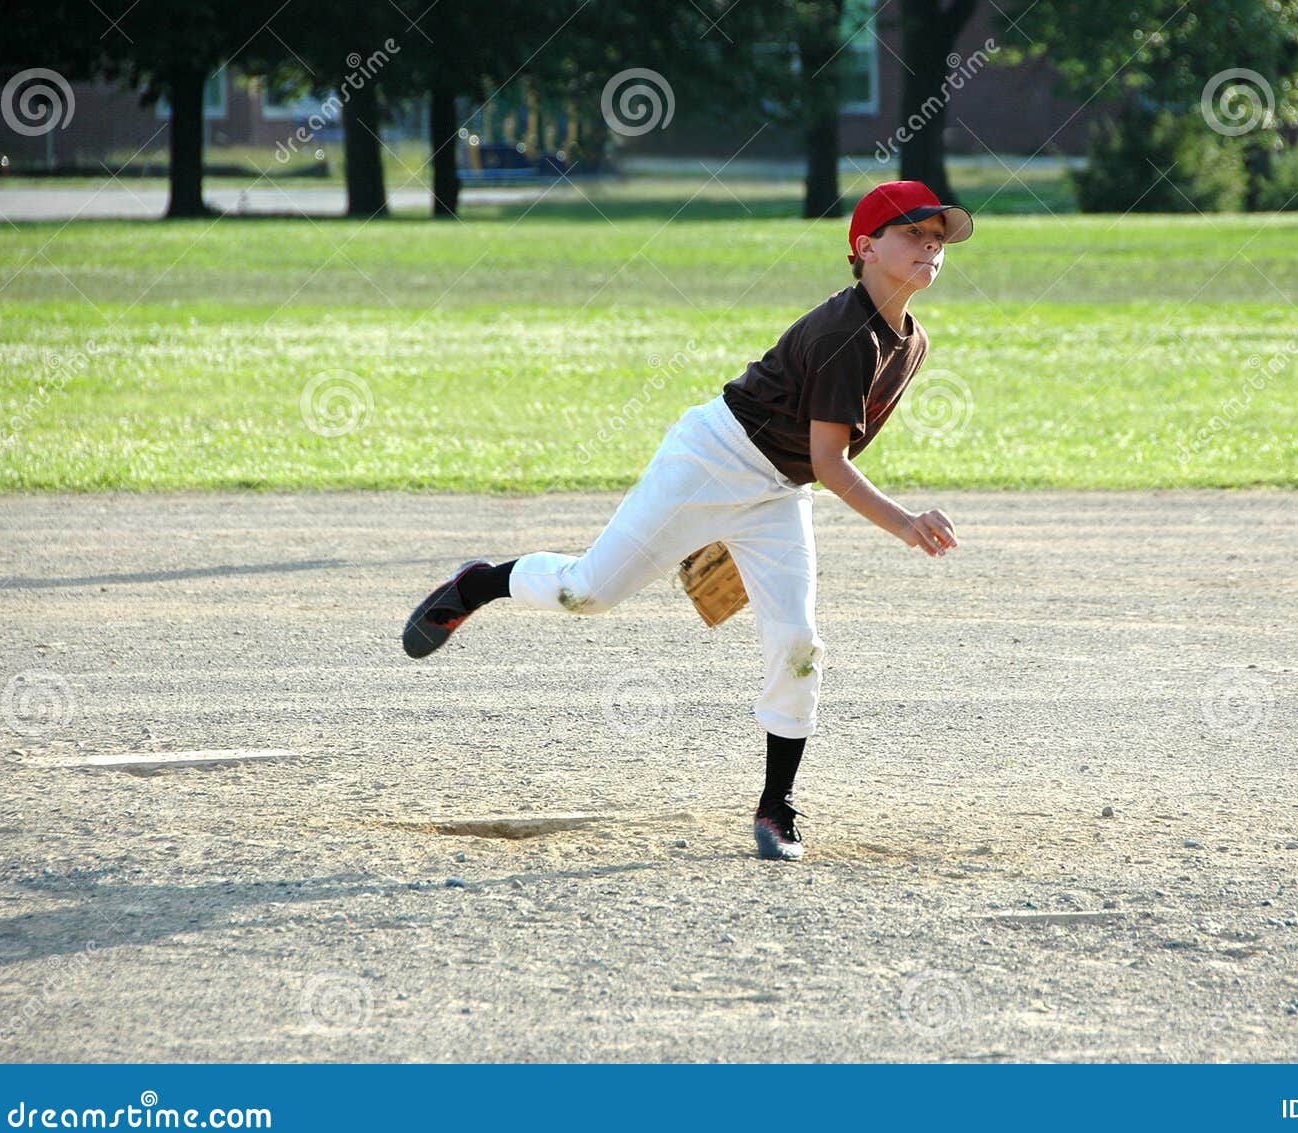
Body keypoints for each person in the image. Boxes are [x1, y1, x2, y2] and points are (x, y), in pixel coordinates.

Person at [402, 180, 971, 860]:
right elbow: (831, 461)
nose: (930, 244)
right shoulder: (846, 333)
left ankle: (775, 806)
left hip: (777, 491)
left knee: (799, 639)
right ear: (865, 246)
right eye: (913, 232)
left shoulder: (912, 340)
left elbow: (815, 459)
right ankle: (478, 584)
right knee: (585, 592)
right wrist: (904, 523)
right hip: (711, 460)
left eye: (938, 236)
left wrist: (750, 531)